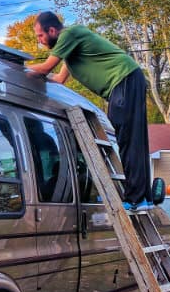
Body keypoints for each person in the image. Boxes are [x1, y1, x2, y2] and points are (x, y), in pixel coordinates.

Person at [27, 11, 153, 210]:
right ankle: (144, 197)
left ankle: (135, 199)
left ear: (52, 30)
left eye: (40, 36)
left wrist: (17, 68)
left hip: (123, 79)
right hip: (127, 81)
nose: (40, 41)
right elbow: (58, 79)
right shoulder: (70, 51)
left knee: (128, 140)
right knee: (133, 139)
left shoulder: (70, 34)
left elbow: (45, 68)